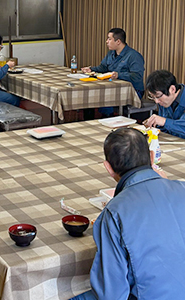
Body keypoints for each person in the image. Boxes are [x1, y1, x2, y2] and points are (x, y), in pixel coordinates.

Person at [71, 128, 185, 300]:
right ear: (152, 157)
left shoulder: (113, 214)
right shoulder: (182, 188)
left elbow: (112, 294)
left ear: (108, 168)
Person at [81, 28, 145, 118]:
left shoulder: (134, 56)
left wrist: (119, 75)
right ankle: (89, 121)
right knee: (90, 94)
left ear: (118, 41)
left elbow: (137, 76)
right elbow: (103, 67)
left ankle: (108, 119)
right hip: (113, 87)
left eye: (109, 39)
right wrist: (91, 69)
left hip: (133, 90)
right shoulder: (111, 53)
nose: (107, 41)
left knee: (106, 97)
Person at [144, 70, 185, 139]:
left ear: (172, 89)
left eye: (158, 96)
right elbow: (163, 129)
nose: (156, 101)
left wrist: (164, 122)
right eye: (153, 97)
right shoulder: (163, 101)